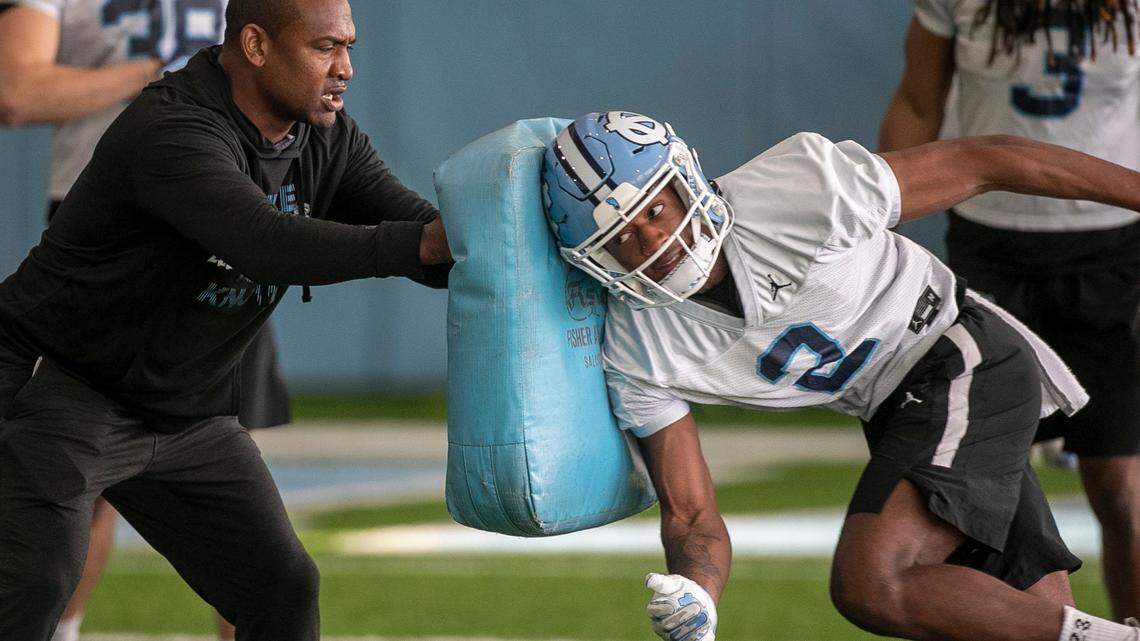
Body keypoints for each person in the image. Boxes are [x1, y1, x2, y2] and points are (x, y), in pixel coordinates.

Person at [540, 111, 1140, 641]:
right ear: (592, 258)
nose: (651, 239)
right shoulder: (635, 348)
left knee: (873, 583)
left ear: (685, 178)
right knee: (1026, 621)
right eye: (618, 235)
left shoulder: (792, 191)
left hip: (958, 353)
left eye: (655, 208)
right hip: (897, 410)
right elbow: (691, 514)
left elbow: (985, 160)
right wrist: (699, 592)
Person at [0, 0, 452, 637]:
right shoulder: (172, 126)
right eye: (325, 48)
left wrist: (497, 241)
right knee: (36, 583)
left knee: (280, 587)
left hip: (183, 413)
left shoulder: (329, 135)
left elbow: (421, 233)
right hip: (57, 388)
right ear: (257, 46)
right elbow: (266, 242)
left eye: (349, 47)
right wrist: (427, 244)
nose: (345, 68)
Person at [0, 2, 293, 639]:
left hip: (229, 244)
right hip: (108, 257)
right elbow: (16, 90)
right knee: (73, 485)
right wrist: (166, 81)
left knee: (237, 501)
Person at [878, 0, 1140, 621]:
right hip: (990, 248)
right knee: (983, 490)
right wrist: (880, 217)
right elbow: (919, 101)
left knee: (1122, 485)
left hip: (1114, 254)